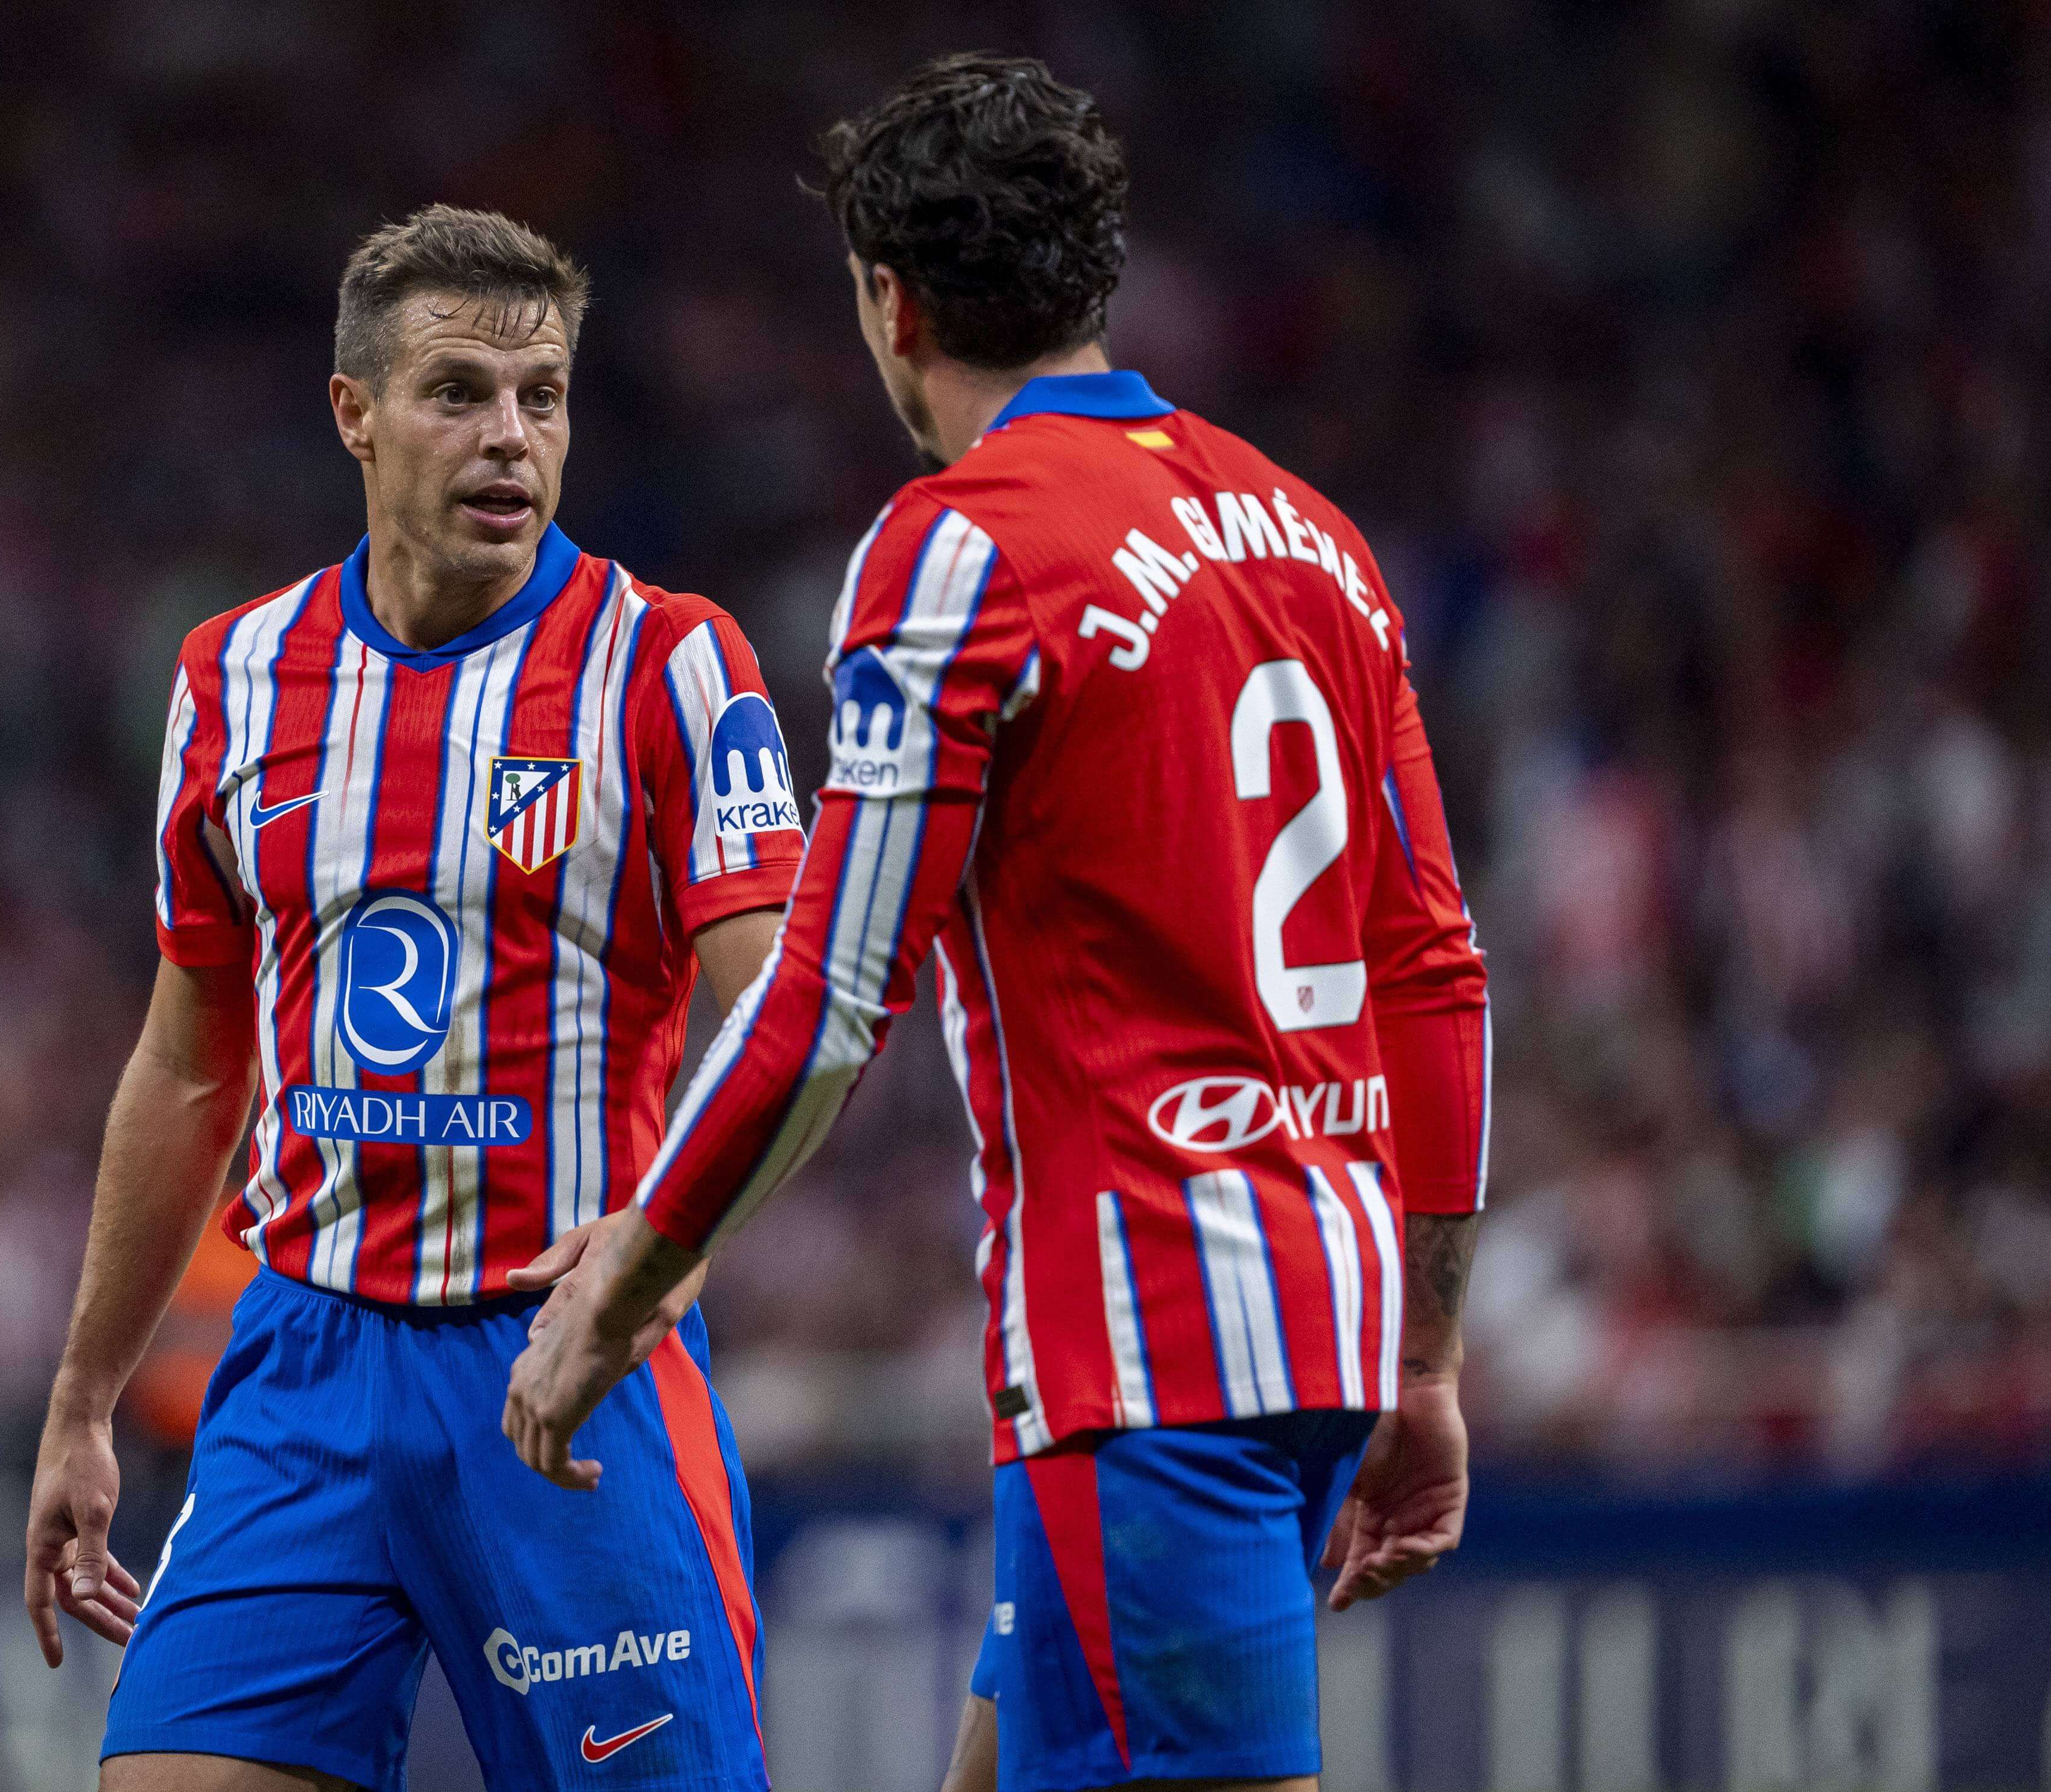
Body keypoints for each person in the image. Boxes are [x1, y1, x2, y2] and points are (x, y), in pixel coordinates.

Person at [507, 55, 1492, 1792]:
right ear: (1094, 279)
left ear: (892, 306)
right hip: (1323, 1323)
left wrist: (624, 1287)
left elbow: (828, 994)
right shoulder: (1316, 539)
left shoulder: (963, 550)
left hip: (1151, 1348)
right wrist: (1420, 1352)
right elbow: (1433, 966)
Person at [23, 205, 799, 1792]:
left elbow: (788, 1007)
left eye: (545, 395)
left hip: (560, 1368)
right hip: (300, 1362)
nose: (511, 435)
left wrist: (669, 1240)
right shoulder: (232, 677)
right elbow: (186, 1066)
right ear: (352, 413)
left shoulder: (667, 664)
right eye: (458, 391)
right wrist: (83, 1399)